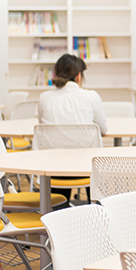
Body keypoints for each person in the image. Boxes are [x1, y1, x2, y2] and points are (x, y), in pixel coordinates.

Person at [38, 53, 107, 201]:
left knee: (58, 161)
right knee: (92, 167)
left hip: (54, 169)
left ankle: (59, 210)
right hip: (85, 168)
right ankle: (93, 206)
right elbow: (102, 129)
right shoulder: (91, 97)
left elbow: (42, 128)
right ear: (78, 77)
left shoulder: (45, 98)